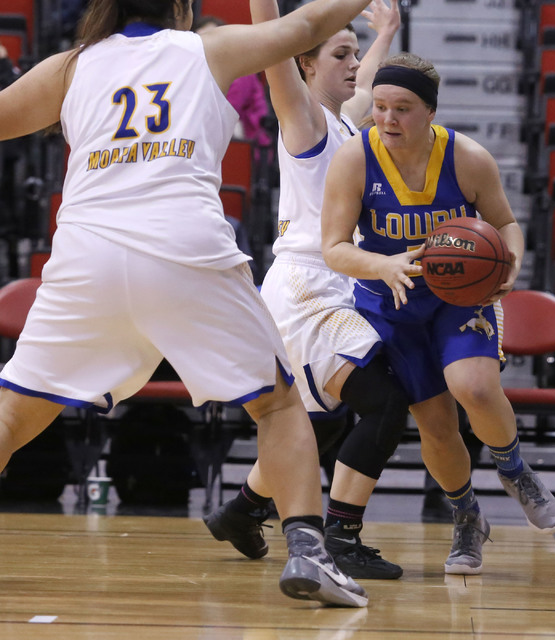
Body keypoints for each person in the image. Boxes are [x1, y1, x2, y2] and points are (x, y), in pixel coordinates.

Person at [0, 0, 380, 608]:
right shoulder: (206, 46)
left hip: (87, 254)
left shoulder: (72, 66)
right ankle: (310, 552)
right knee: (278, 406)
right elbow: (305, 30)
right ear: (178, 7)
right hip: (184, 247)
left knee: (15, 413)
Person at [320, 52, 555, 575]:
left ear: (430, 111)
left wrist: (512, 265)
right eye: (381, 106)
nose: (387, 118)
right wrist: (381, 263)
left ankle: (516, 471)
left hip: (459, 297)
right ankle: (466, 519)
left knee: (474, 386)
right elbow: (334, 248)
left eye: (402, 108)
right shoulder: (355, 158)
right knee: (435, 424)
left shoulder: (468, 158)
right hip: (393, 301)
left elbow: (505, 224)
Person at [203, 0, 409, 581]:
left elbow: (367, 79)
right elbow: (275, 52)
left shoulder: (348, 120)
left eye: (352, 53)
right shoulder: (306, 119)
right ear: (305, 67)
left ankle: (239, 512)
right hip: (306, 291)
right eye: (338, 54)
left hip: (341, 283)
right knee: (384, 399)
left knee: (320, 423)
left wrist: (387, 29)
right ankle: (339, 536)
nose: (352, 65)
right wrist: (268, 11)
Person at [193, 15, 272, 150]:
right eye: (201, 38)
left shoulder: (240, 71)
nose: (205, 44)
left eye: (210, 38)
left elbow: (226, 111)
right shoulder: (194, 68)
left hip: (247, 145)